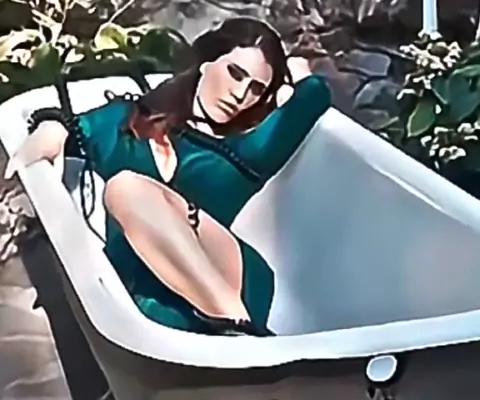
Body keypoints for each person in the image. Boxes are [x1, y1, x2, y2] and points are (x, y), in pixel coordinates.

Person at [5, 17, 331, 338]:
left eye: (256, 89)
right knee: (128, 191)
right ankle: (239, 334)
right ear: (207, 62)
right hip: (147, 284)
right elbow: (73, 126)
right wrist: (52, 126)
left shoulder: (251, 149)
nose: (240, 94)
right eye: (235, 73)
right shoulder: (128, 122)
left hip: (225, 272)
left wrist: (294, 70)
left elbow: (315, 93)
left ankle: (237, 324)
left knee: (126, 187)